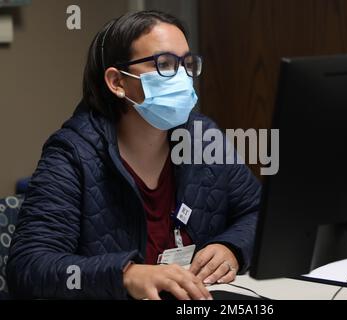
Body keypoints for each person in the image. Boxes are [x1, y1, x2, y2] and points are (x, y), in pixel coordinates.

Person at [6, 10, 260, 300]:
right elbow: (29, 266)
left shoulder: (202, 138)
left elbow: (257, 212)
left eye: (187, 64)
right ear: (117, 82)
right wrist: (124, 274)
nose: (181, 76)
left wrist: (233, 247)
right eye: (164, 64)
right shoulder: (72, 154)